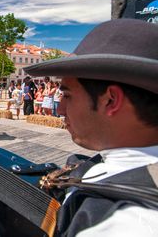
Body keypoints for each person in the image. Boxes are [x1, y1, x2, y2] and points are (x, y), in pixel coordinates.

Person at [24, 19, 158, 236]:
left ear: (111, 100)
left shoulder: (124, 225)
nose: (60, 109)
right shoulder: (108, 171)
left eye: (67, 95)